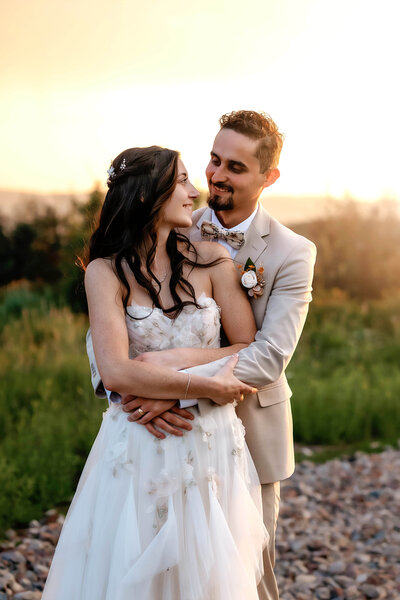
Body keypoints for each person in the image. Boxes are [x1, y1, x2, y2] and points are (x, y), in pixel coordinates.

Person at [89, 111, 317, 600]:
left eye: (235, 167)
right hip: (150, 425)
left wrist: (174, 386)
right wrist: (123, 382)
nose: (215, 175)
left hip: (243, 432)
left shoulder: (293, 252)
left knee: (248, 576)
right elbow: (111, 329)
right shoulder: (170, 223)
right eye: (213, 160)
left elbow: (269, 354)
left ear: (267, 177)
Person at [42, 145, 268, 600]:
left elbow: (246, 344)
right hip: (142, 445)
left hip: (210, 443)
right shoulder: (105, 274)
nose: (194, 191)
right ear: (148, 196)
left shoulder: (213, 263)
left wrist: (179, 379)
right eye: (182, 181)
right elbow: (116, 371)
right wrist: (204, 384)